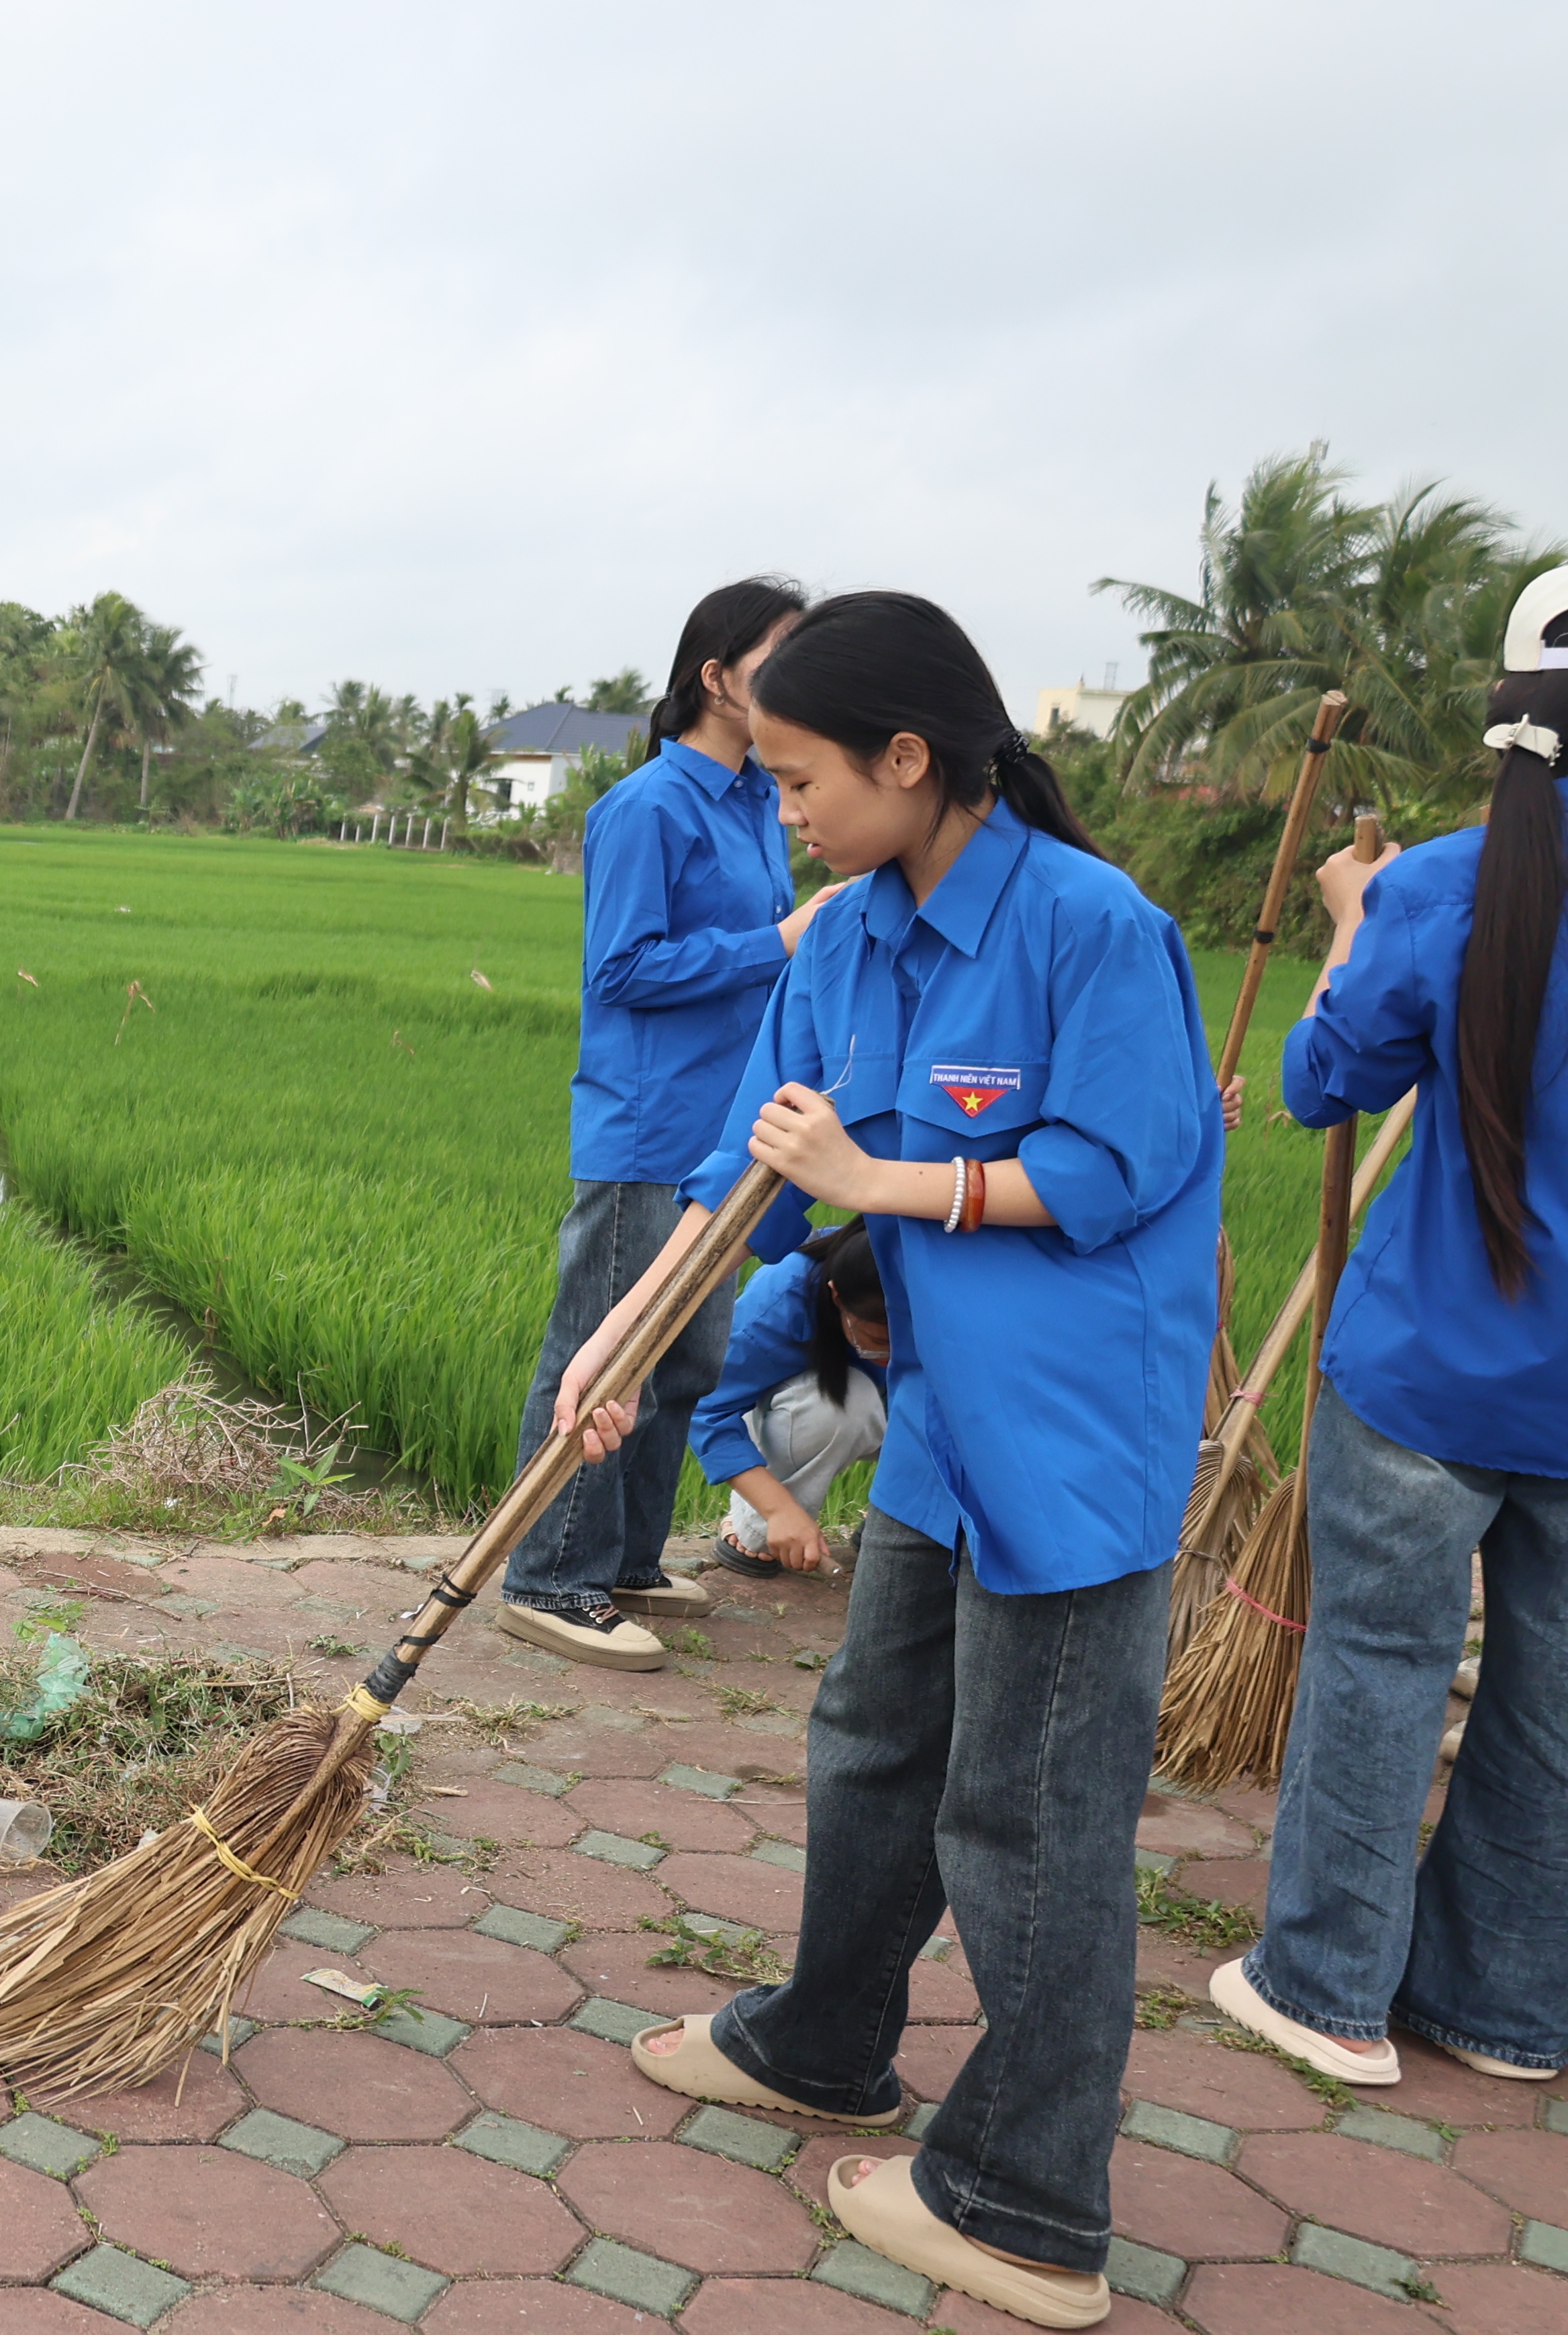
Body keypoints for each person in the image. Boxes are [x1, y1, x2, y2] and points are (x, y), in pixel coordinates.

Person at [573, 592, 1222, 2329]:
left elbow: (1110, 1167)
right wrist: (615, 1336)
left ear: (904, 758)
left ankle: (1022, 2200)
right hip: (940, 1412)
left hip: (1075, 1426)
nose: (777, 810)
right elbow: (745, 1163)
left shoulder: (1093, 928)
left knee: (1025, 1811)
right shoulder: (846, 938)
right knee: (871, 1733)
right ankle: (825, 2036)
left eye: (797, 779)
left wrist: (889, 1182)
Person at [1213, 566, 1568, 2089]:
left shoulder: (1439, 886)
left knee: (1374, 1660)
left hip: (1426, 1368)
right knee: (1549, 1705)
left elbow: (1318, 1083)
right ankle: (1499, 2006)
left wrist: (1351, 926)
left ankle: (1324, 1984)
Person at [499, 576, 827, 1670]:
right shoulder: (648, 805)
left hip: (727, 1131)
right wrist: (774, 942)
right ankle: (550, 1572)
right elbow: (622, 968)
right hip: (649, 1121)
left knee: (686, 1354)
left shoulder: (752, 802)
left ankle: (625, 1555)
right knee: (604, 1349)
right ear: (716, 674)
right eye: (779, 657)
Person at [687, 1220, 888, 1580]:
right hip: (797, 1407)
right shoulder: (785, 1296)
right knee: (845, 1403)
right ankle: (757, 1528)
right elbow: (707, 1408)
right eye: (879, 1340)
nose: (895, 1357)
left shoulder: (945, 1275)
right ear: (837, 1297)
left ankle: (896, 1518)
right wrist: (778, 1510)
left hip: (902, 1410)